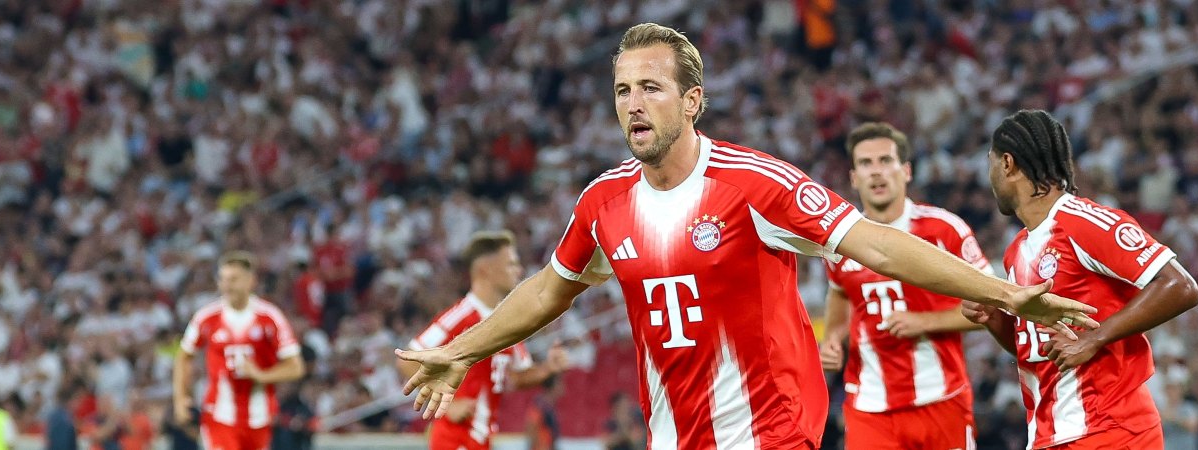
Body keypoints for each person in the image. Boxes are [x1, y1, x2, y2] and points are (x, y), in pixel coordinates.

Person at [398, 24, 1096, 450]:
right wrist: (462, 351)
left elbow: (875, 243)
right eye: (622, 91)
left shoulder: (754, 185)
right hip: (673, 435)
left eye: (651, 88)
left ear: (692, 100)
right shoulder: (603, 202)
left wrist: (1010, 295)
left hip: (771, 430)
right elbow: (551, 288)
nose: (634, 104)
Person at [963, 109, 1198, 449]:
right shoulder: (1015, 251)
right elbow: (1036, 351)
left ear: (1007, 163)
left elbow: (1181, 286)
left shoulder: (1083, 221)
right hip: (1051, 433)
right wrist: (994, 320)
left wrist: (1094, 338)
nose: (989, 178)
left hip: (1111, 430)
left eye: (989, 164)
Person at [819, 122, 987, 449]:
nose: (876, 172)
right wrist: (833, 340)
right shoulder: (839, 242)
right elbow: (839, 294)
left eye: (886, 161)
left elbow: (991, 307)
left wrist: (925, 321)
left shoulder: (944, 230)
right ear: (854, 178)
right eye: (866, 164)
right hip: (869, 406)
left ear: (906, 171)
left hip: (940, 398)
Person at [395, 231, 569, 450]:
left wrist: (548, 369)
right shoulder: (461, 316)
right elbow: (406, 360)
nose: (519, 271)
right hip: (455, 439)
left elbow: (515, 377)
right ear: (485, 270)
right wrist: (450, 406)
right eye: (510, 264)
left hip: (482, 440)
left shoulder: (507, 322)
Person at [173, 251, 306, 450]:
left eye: (234, 279)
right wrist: (180, 398)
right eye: (223, 279)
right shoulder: (207, 317)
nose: (227, 285)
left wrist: (262, 375)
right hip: (219, 415)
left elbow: (296, 367)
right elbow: (184, 356)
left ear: (251, 281)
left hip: (260, 416)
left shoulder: (269, 317)